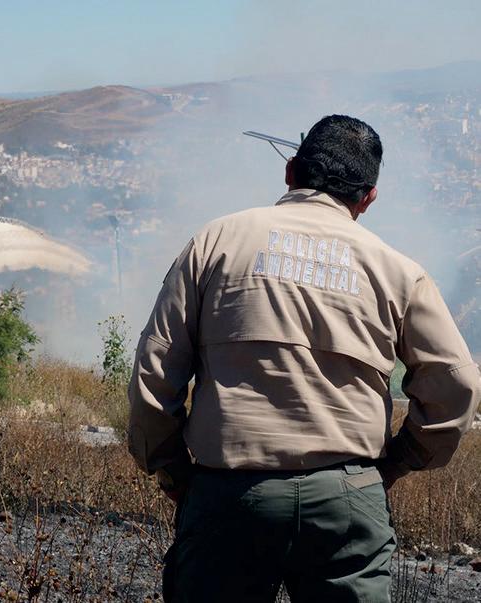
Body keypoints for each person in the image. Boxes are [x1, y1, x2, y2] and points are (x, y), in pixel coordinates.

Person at [128, 115, 480, 603]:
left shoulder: (215, 242)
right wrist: (393, 466)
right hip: (347, 501)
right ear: (368, 198)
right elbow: (458, 385)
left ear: (290, 171)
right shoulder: (399, 271)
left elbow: (154, 375)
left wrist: (173, 471)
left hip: (227, 495)